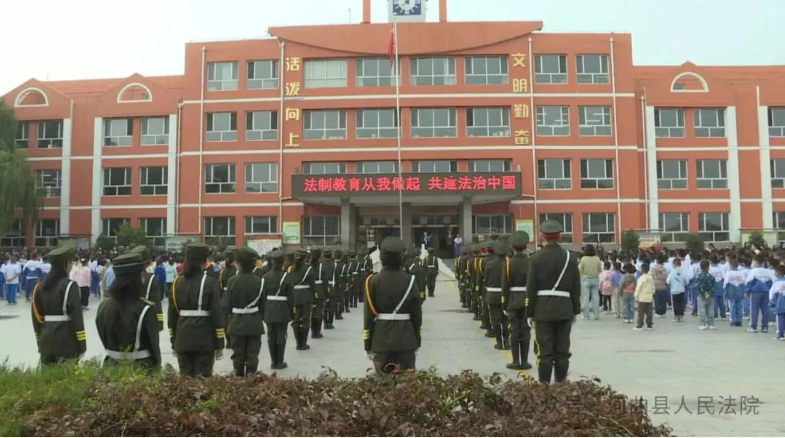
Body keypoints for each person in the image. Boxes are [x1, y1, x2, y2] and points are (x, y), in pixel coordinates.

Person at [525, 219, 580, 384]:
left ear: (542, 237)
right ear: (560, 237)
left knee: (545, 352)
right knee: (563, 352)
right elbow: (576, 287)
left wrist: (529, 312)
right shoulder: (571, 257)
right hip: (564, 308)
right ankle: (561, 385)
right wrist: (575, 310)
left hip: (542, 309)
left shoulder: (535, 258)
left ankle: (544, 386)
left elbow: (531, 288)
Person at [364, 236, 423, 374]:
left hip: (380, 338)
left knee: (383, 382)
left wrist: (368, 343)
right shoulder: (410, 280)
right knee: (406, 382)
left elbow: (368, 316)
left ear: (381, 257)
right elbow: (416, 315)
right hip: (406, 338)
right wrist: (416, 339)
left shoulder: (372, 281)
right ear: (402, 257)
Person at [96, 253, 161, 370]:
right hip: (140, 367)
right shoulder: (145, 309)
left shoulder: (104, 306)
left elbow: (103, 336)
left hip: (111, 366)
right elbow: (154, 346)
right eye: (141, 274)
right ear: (136, 279)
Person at [168, 244, 225, 377]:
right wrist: (219, 343)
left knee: (185, 378)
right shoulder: (211, 282)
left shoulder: (177, 282)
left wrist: (173, 340)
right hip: (204, 338)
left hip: (182, 337)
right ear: (204, 261)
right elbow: (217, 314)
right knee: (202, 380)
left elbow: (172, 315)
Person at [31, 247, 87, 365]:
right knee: (67, 374)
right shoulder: (70, 286)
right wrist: (82, 345)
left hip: (45, 339)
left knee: (48, 375)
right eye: (71, 262)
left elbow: (36, 317)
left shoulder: (39, 286)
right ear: (66, 264)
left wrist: (39, 339)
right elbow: (77, 318)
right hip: (67, 341)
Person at [223, 247, 265, 376]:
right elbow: (263, 305)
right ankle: (251, 379)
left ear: (239, 263)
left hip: (236, 322)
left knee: (238, 355)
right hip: (254, 322)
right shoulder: (260, 281)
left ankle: (239, 379)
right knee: (253, 355)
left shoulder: (231, 281)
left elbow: (227, 305)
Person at [502, 231, 532, 370]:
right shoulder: (531, 262)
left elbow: (505, 286)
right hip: (527, 299)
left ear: (512, 247)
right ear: (525, 246)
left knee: (513, 330)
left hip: (512, 300)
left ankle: (515, 361)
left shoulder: (508, 264)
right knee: (525, 331)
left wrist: (504, 304)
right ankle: (525, 361)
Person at [263, 250, 294, 369]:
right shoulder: (287, 277)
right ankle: (279, 362)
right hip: (282, 309)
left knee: (271, 336)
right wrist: (292, 312)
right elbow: (291, 297)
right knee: (281, 336)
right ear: (283, 262)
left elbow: (263, 296)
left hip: (269, 309)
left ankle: (273, 361)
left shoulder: (265, 277)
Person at [288, 249, 316, 351]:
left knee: (296, 320)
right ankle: (303, 343)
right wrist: (314, 297)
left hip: (295, 296)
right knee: (305, 320)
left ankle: (298, 343)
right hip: (306, 296)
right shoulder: (309, 269)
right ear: (305, 258)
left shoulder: (290, 269)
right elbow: (312, 285)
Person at [484, 239, 509, 351]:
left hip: (493, 295)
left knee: (495, 320)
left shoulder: (489, 264)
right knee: (506, 320)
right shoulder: (509, 264)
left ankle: (499, 342)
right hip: (506, 295)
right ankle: (507, 342)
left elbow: (486, 280)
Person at [132, 246, 164, 331]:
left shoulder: (124, 277)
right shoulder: (151, 278)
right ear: (148, 261)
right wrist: (159, 323)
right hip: (145, 320)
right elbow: (156, 303)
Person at [745, 254, 773, 333]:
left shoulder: (753, 271)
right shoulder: (767, 271)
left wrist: (747, 291)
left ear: (755, 261)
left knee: (754, 309)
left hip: (756, 292)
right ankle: (765, 327)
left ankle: (753, 326)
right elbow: (770, 282)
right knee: (765, 309)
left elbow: (749, 282)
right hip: (766, 292)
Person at [578, 244, 601, 321]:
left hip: (585, 278)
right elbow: (600, 270)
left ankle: (586, 315)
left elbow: (580, 270)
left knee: (585, 298)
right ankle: (596, 315)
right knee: (596, 297)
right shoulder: (597, 258)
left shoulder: (583, 259)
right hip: (595, 278)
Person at [309, 248, 327, 339]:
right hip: (320, 289)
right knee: (319, 312)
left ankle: (313, 332)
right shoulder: (321, 266)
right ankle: (318, 332)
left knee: (312, 312)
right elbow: (325, 281)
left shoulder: (308, 266)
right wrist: (327, 293)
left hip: (310, 290)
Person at [695, 259, 717, 330]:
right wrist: (709, 293)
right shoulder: (711, 276)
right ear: (708, 267)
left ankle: (702, 324)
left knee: (702, 310)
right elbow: (714, 286)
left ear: (700, 267)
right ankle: (711, 324)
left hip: (701, 296)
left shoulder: (698, 276)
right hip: (710, 296)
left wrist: (704, 293)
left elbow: (698, 286)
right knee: (710, 310)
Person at [633, 263, 655, 331]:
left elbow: (638, 288)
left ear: (641, 270)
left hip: (642, 297)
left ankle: (640, 325)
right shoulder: (651, 278)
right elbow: (653, 287)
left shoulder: (641, 278)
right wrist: (652, 293)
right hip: (649, 297)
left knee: (641, 313)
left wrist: (636, 296)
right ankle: (649, 325)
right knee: (649, 312)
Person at [667, 258, 687, 322]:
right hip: (681, 290)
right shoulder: (683, 272)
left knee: (675, 304)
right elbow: (687, 282)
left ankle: (676, 316)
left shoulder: (672, 272)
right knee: (681, 303)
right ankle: (681, 316)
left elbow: (667, 281)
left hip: (674, 291)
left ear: (674, 264)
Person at [322, 249, 337, 330]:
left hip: (323, 286)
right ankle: (330, 323)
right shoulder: (334, 264)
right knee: (332, 306)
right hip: (331, 285)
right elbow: (337, 277)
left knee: (324, 306)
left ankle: (325, 323)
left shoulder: (321, 264)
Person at [769, 265, 785, 340]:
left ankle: (780, 334)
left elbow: (772, 293)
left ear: (778, 273)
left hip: (780, 304)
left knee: (780, 319)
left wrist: (771, 303)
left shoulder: (776, 283)